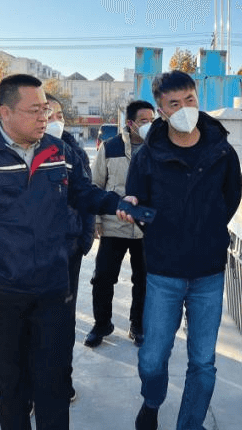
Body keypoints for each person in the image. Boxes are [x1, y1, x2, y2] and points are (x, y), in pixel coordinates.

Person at [0, 74, 124, 430]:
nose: (45, 117)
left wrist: (115, 204)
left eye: (46, 109)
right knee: (10, 384)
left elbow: (83, 193)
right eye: (35, 110)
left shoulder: (60, 152)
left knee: (54, 384)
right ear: (5, 112)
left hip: (53, 288)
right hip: (0, 292)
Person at [119, 71, 242, 430]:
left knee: (203, 362)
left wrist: (205, 229)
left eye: (190, 99)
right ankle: (152, 401)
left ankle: (190, 424)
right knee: (152, 359)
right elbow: (137, 199)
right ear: (161, 110)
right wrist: (149, 220)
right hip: (164, 271)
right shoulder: (148, 156)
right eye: (175, 104)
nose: (185, 108)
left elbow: (230, 199)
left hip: (208, 272)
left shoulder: (222, 151)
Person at [84, 100, 154, 348]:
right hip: (114, 224)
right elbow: (95, 185)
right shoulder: (110, 147)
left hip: (146, 229)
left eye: (152, 120)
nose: (149, 125)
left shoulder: (158, 149)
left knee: (143, 280)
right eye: (144, 121)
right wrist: (96, 219)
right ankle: (102, 324)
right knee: (103, 278)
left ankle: (138, 325)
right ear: (130, 123)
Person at [44, 93, 95, 403]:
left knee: (64, 318)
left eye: (59, 115)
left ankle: (62, 378)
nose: (55, 121)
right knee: (31, 321)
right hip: (25, 255)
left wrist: (84, 238)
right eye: (48, 114)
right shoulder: (12, 154)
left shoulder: (75, 153)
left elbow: (86, 196)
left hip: (67, 250)